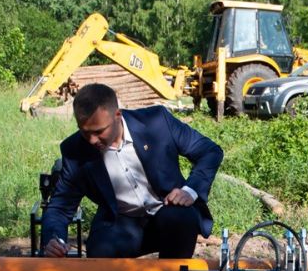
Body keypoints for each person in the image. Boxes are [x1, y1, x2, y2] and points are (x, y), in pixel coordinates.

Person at [42, 83, 223, 258]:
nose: (91, 140)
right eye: (85, 132)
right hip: (121, 223)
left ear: (117, 115)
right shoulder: (75, 149)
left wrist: (190, 190)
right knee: (99, 250)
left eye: (98, 131)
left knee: (182, 218)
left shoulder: (157, 122)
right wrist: (54, 239)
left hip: (169, 213)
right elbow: (60, 207)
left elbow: (209, 151)